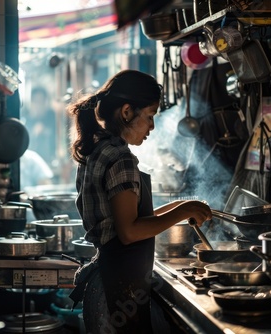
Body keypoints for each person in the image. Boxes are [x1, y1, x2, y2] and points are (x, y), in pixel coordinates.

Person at [67, 70, 212, 333]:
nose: (152, 126)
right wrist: (184, 210)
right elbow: (129, 232)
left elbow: (127, 218)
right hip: (122, 282)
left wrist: (184, 208)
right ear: (126, 112)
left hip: (112, 277)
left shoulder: (98, 147)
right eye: (150, 116)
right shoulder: (119, 156)